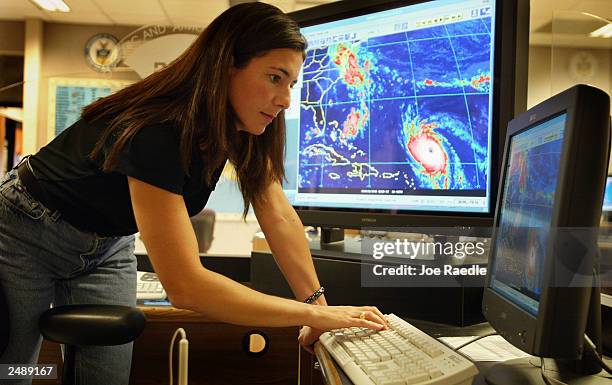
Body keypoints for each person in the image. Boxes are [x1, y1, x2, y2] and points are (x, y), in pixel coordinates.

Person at [0, 3, 387, 384]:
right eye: (274, 78)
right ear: (226, 66)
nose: (285, 98)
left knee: (107, 375)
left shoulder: (243, 129)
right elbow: (185, 286)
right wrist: (312, 316)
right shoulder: (158, 129)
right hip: (25, 228)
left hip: (106, 245)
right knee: (15, 368)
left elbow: (279, 216)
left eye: (291, 84)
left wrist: (318, 309)